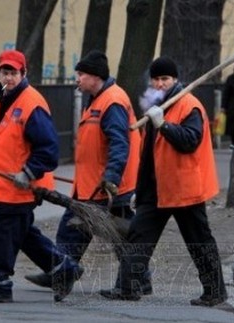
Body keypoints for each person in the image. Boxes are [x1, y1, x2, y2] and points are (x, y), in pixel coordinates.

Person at [99, 56, 227, 307]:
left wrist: (164, 125)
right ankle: (127, 287)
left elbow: (190, 140)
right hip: (156, 190)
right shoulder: (157, 107)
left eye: (165, 79)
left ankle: (215, 291)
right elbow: (148, 156)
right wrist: (141, 188)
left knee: (199, 241)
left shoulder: (189, 105)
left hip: (184, 189)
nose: (159, 84)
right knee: (139, 237)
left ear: (175, 80)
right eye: (156, 79)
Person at [0, 49, 81, 303]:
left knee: (1, 231)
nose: (8, 77)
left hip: (21, 186)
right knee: (22, 234)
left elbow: (49, 149)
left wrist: (27, 172)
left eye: (12, 72)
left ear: (23, 73)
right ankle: (64, 269)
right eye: (4, 72)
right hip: (2, 183)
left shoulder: (32, 103)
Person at [24, 50, 141, 290]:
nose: (77, 78)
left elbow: (120, 143)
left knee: (117, 237)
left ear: (95, 76)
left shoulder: (113, 101)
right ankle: (62, 271)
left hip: (108, 186)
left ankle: (134, 281)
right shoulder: (98, 99)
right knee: (75, 230)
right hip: (91, 184)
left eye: (81, 74)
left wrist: (111, 178)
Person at [221, 58, 234, 144]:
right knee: (233, 126)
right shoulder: (231, 79)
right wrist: (223, 106)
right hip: (233, 106)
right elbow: (226, 93)